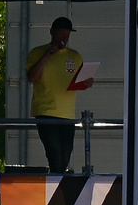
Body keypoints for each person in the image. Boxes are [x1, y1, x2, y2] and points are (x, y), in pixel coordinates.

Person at [22, 15, 95, 174]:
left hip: (68, 114)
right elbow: (32, 77)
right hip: (45, 111)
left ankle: (58, 185)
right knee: (54, 154)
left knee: (65, 156)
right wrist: (48, 55)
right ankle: (56, 187)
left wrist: (87, 83)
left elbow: (79, 80)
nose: (64, 38)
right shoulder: (38, 52)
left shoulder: (75, 56)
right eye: (61, 34)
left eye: (67, 35)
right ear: (52, 32)